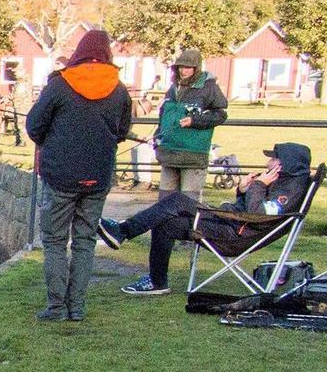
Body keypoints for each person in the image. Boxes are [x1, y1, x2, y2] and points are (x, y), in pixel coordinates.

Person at [98, 142, 313, 294]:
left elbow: (258, 215)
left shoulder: (288, 192)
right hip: (230, 225)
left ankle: (123, 231)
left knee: (179, 200)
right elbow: (254, 210)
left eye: (273, 158)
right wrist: (243, 189)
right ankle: (157, 281)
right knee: (166, 222)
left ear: (283, 164)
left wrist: (258, 185)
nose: (268, 161)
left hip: (233, 236)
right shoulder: (281, 181)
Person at [25, 28, 134, 321]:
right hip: (97, 177)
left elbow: (34, 126)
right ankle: (77, 307)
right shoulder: (119, 89)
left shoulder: (61, 84)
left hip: (60, 176)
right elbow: (122, 131)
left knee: (55, 242)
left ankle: (57, 307)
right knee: (85, 241)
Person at [153, 49, 229, 199]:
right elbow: (164, 115)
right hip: (169, 152)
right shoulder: (174, 87)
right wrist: (158, 137)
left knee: (187, 202)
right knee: (164, 201)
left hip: (193, 154)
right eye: (180, 67)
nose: (183, 71)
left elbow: (220, 115)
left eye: (188, 67)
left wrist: (195, 121)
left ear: (196, 68)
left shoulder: (209, 87)